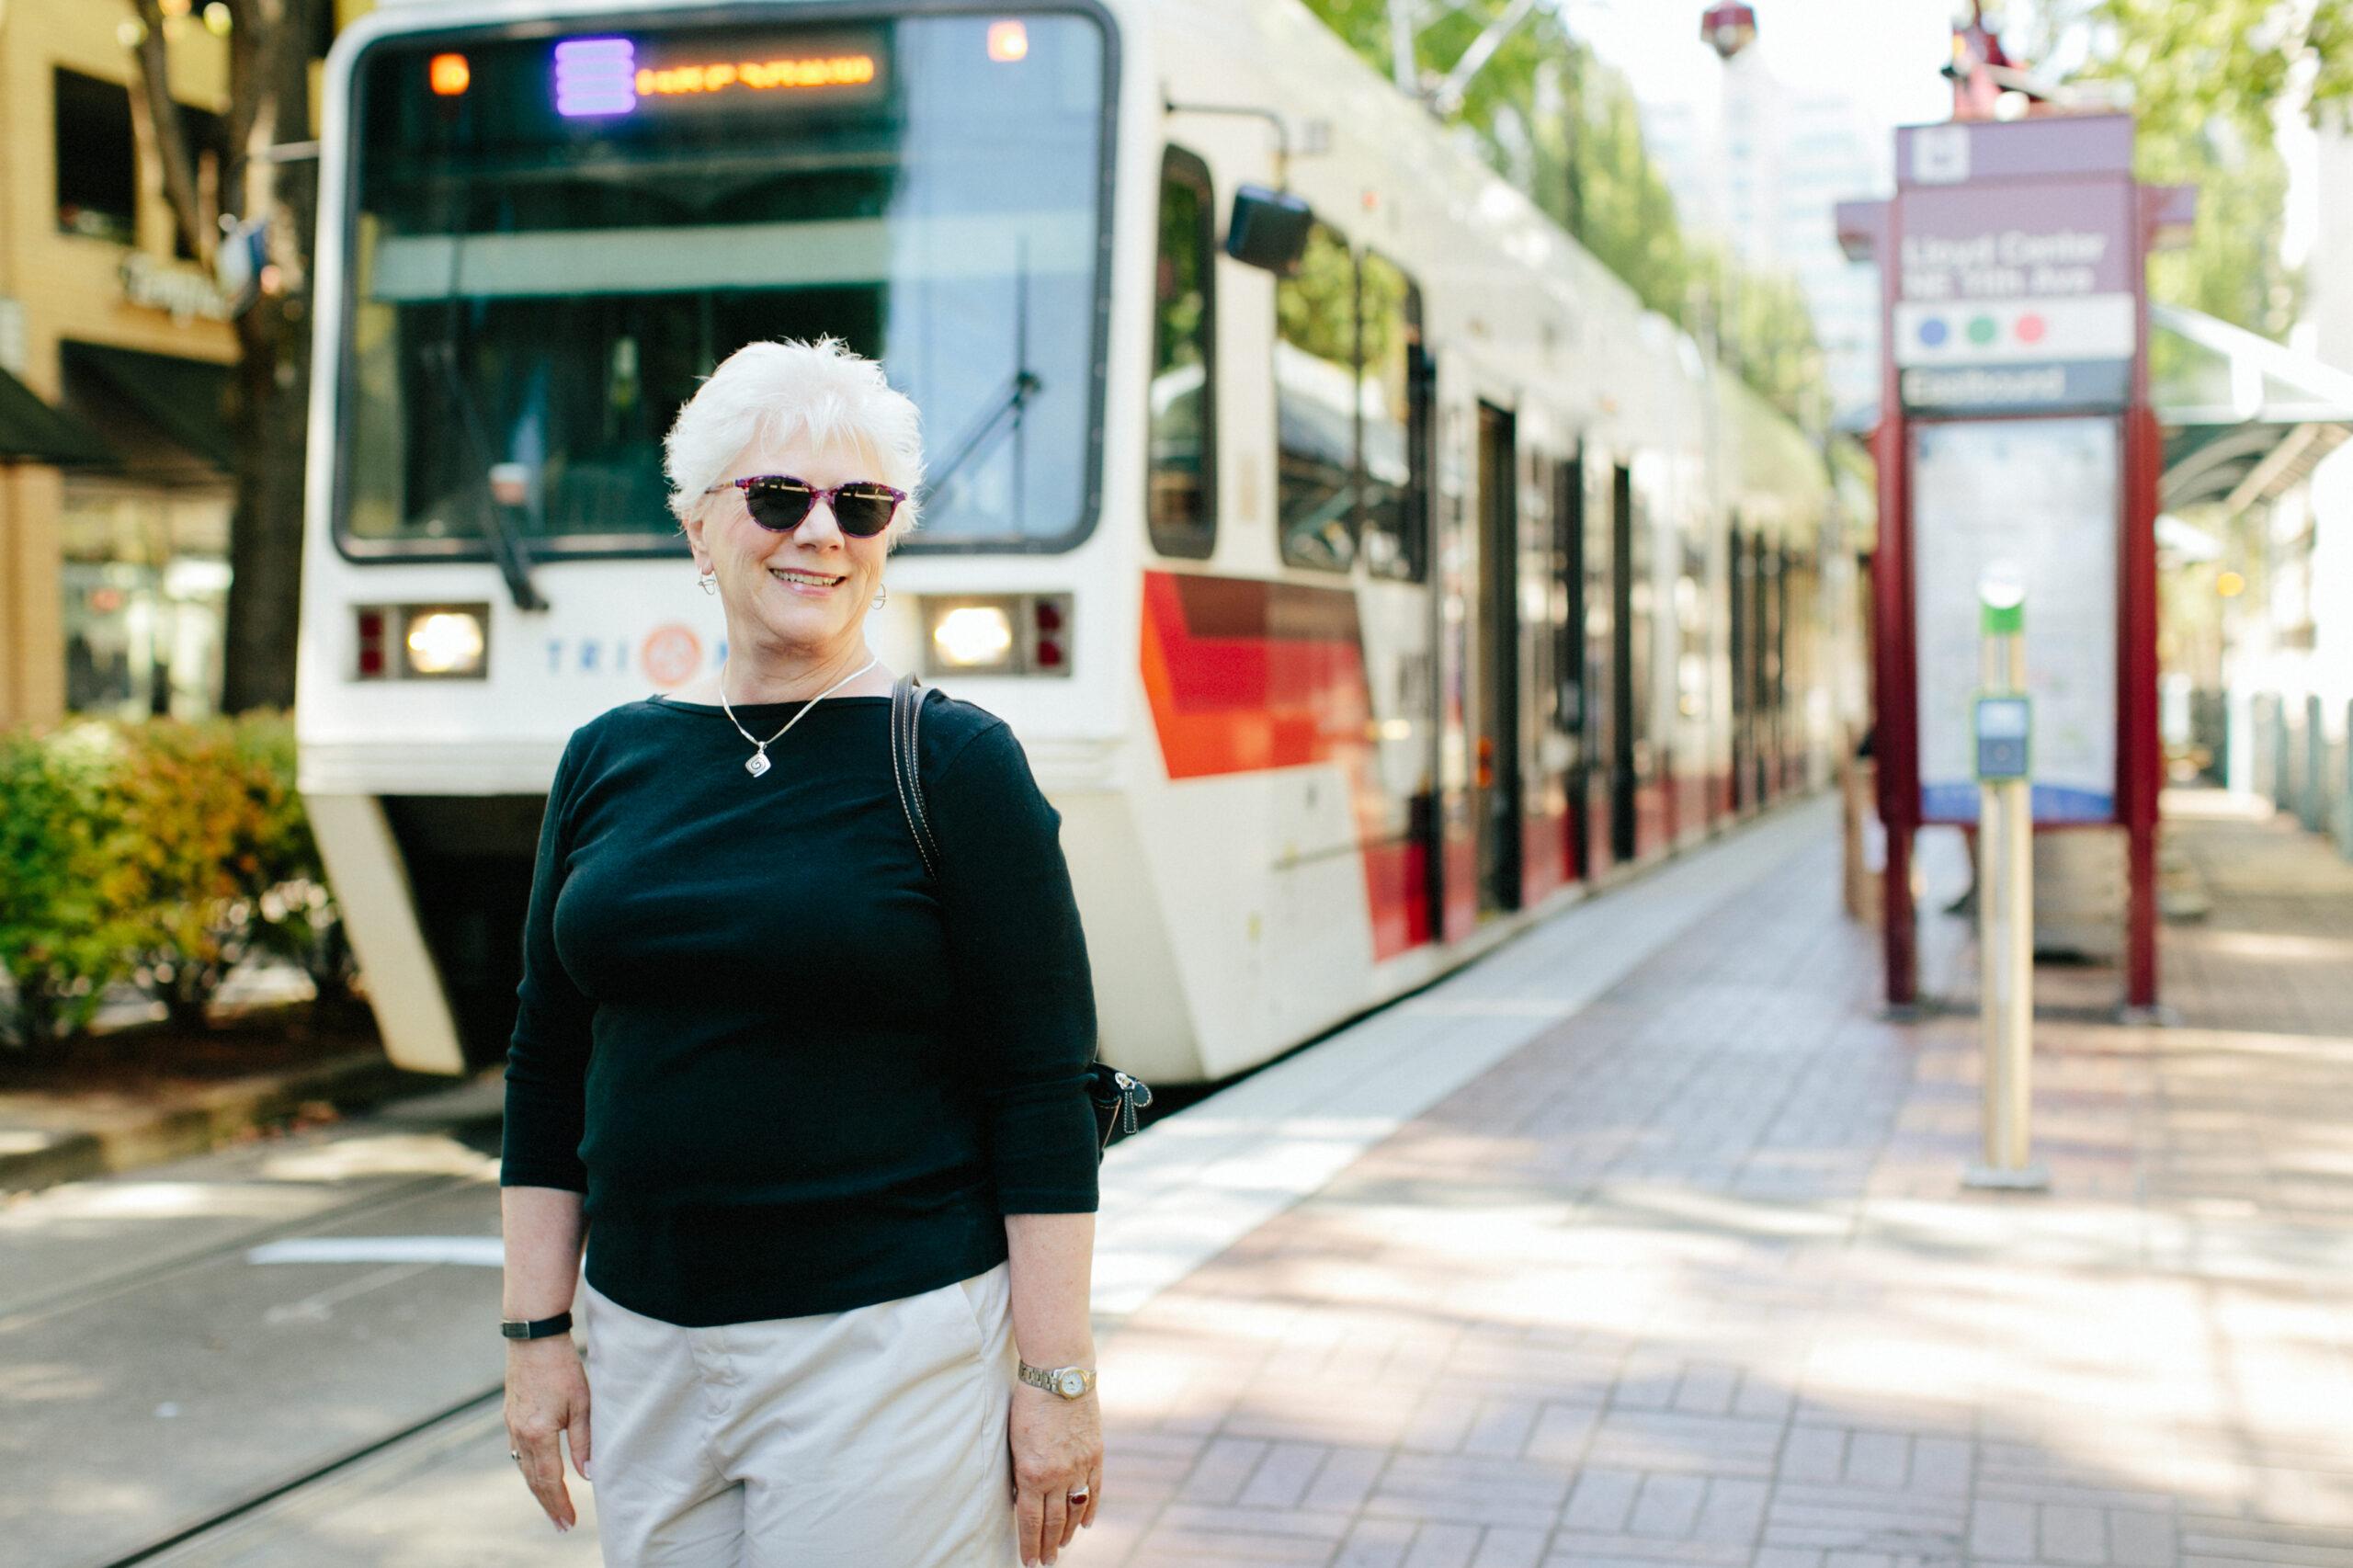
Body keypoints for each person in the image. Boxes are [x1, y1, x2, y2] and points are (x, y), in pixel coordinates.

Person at [498, 337, 1105, 1568]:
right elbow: (545, 1062)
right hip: (645, 1344)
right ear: (699, 527)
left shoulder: (956, 763)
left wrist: (1055, 1377)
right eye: (779, 497)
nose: (818, 532)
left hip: (885, 1350)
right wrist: (534, 1331)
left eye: (859, 504)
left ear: (886, 540)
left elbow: (1043, 1092)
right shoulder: (606, 757)